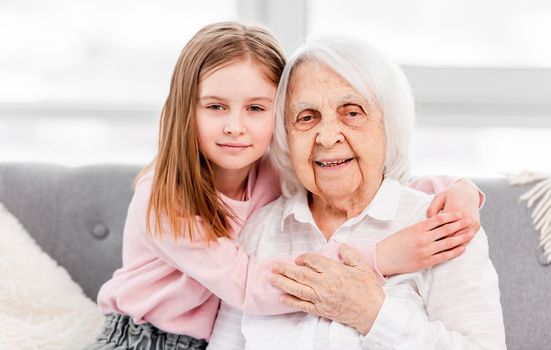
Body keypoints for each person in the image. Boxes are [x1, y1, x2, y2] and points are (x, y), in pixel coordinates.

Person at [84, 22, 484, 350]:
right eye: (215, 106)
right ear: (184, 110)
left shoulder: (271, 173)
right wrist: (380, 257)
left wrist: (461, 190)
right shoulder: (164, 199)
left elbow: (377, 179)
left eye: (256, 108)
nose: (235, 126)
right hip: (139, 339)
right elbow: (248, 286)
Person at [208, 36, 505, 349]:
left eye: (352, 113)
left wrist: (372, 314)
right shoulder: (261, 229)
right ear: (285, 135)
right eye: (306, 117)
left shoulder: (439, 227)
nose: (327, 136)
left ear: (389, 124)